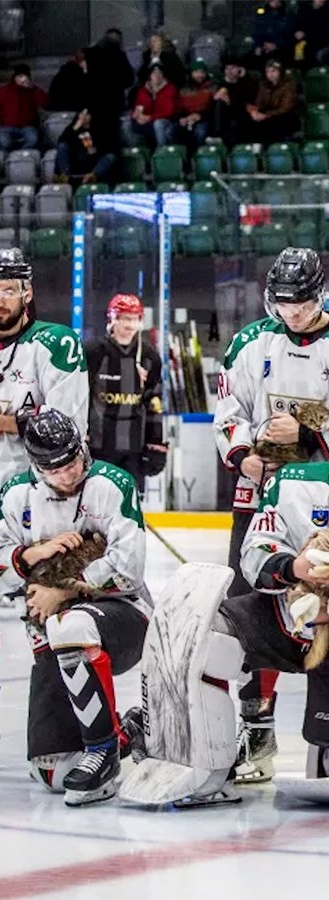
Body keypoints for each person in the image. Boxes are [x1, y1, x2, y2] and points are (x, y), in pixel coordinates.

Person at [128, 404, 329, 807]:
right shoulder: (291, 480)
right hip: (292, 609)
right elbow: (255, 548)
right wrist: (294, 566)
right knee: (210, 638)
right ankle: (212, 764)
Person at [212, 247, 329, 781]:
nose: (291, 313)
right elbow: (230, 410)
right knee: (252, 603)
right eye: (283, 303)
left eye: (302, 302)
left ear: (321, 294)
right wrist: (245, 457)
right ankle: (256, 726)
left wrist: (311, 431)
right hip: (263, 491)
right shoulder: (250, 341)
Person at [3, 409, 150, 806]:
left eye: (73, 461)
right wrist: (33, 552)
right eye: (56, 469)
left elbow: (128, 569)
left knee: (70, 623)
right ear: (36, 467)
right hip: (46, 629)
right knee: (53, 772)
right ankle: (126, 731)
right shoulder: (16, 494)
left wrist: (64, 592)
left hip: (124, 615)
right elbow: (3, 571)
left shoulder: (113, 484)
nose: (69, 474)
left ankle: (102, 750)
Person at [0, 248, 88, 487]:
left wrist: (6, 422)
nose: (0, 300)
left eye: (9, 290)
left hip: (39, 488)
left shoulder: (57, 343)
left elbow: (64, 425)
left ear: (27, 294)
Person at [85, 295, 166, 496]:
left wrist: (156, 445)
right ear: (112, 319)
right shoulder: (93, 352)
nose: (129, 324)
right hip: (97, 447)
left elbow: (154, 403)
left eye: (134, 318)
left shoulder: (150, 357)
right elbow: (79, 398)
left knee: (130, 504)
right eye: (123, 318)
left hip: (133, 449)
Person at [54, 109, 117, 186]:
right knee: (62, 147)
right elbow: (62, 142)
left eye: (86, 115)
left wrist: (95, 149)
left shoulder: (100, 129)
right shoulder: (73, 128)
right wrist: (75, 128)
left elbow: (108, 147)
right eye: (81, 114)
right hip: (75, 161)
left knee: (110, 157)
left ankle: (92, 175)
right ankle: (64, 176)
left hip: (94, 161)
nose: (83, 117)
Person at [245, 58, 299, 145]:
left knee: (272, 124)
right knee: (249, 121)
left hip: (284, 117)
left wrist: (266, 115)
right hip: (269, 115)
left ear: (280, 72)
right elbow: (259, 103)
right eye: (268, 71)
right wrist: (254, 112)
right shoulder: (264, 85)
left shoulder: (289, 86)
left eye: (273, 71)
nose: (270, 74)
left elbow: (285, 108)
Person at [210, 60, 259, 147]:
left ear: (239, 70)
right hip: (227, 113)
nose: (229, 71)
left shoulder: (246, 83)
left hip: (243, 112)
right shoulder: (221, 84)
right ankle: (218, 136)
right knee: (219, 104)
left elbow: (248, 101)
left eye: (233, 68)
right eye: (227, 68)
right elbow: (216, 99)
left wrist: (230, 101)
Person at [130, 64, 178, 150]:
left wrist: (150, 117)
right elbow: (139, 107)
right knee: (127, 124)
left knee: (159, 124)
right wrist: (137, 116)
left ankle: (161, 152)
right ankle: (139, 154)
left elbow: (169, 111)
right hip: (148, 122)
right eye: (154, 73)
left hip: (167, 122)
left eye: (160, 73)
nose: (157, 76)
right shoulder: (143, 90)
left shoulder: (170, 88)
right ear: (150, 76)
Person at [0, 64, 46, 151]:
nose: (23, 79)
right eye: (20, 76)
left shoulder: (33, 91)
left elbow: (45, 104)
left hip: (28, 127)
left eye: (25, 76)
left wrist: (34, 89)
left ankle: (22, 156)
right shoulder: (4, 91)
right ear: (15, 77)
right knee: (5, 142)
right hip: (7, 126)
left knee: (33, 140)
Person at [176, 60, 216, 149]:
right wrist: (181, 118)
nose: (199, 75)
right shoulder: (184, 89)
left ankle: (199, 155)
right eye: (196, 72)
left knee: (200, 131)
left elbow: (214, 108)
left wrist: (200, 116)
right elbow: (179, 108)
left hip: (205, 118)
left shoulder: (212, 87)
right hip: (187, 119)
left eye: (202, 72)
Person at [252, 0, 297, 65]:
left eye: (277, 1)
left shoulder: (288, 15)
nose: (274, 3)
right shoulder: (261, 13)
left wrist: (276, 45)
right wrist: (259, 45)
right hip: (263, 47)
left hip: (281, 49)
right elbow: (257, 31)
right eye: (272, 1)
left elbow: (290, 35)